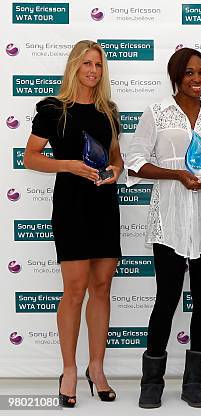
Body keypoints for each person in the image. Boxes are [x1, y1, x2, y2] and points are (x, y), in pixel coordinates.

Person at [125, 47, 201, 408]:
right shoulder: (156, 113)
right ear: (176, 76)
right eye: (189, 73)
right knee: (167, 299)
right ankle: (151, 384)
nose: (197, 79)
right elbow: (136, 162)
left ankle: (194, 384)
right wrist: (177, 175)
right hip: (169, 220)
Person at [24, 40, 122, 407]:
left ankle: (96, 369)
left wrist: (114, 171)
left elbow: (117, 158)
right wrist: (67, 165)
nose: (93, 71)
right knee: (75, 290)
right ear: (74, 67)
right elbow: (31, 157)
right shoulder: (53, 109)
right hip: (71, 205)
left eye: (98, 65)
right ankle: (69, 369)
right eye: (86, 64)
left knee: (102, 287)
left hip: (103, 204)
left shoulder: (108, 110)